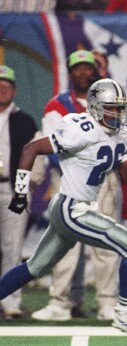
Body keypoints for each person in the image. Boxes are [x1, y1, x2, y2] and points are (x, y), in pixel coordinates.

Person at [0, 78, 127, 339]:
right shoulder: (80, 129)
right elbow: (31, 148)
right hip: (72, 209)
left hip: (80, 209)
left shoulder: (122, 133)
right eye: (112, 108)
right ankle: (124, 315)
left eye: (120, 108)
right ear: (95, 107)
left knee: (35, 267)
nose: (118, 114)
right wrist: (20, 191)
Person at [32, 49, 122, 321]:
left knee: (106, 243)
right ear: (70, 73)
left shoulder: (109, 100)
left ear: (95, 71)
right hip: (69, 180)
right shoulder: (57, 105)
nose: (83, 72)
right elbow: (53, 146)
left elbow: (119, 137)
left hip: (103, 179)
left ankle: (107, 302)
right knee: (64, 242)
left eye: (88, 67)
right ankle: (60, 302)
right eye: (78, 68)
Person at [0, 65, 40, 319]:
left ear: (14, 90)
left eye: (7, 86)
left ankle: (10, 302)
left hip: (11, 188)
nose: (2, 89)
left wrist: (23, 191)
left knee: (12, 247)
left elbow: (37, 161)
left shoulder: (25, 120)